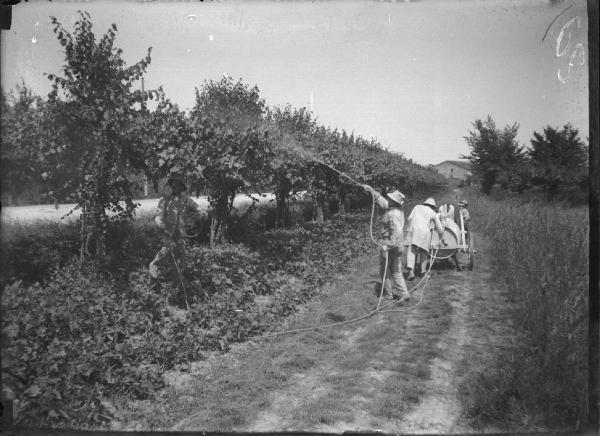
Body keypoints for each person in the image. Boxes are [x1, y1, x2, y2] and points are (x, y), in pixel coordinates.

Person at [362, 184, 411, 302]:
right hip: (398, 245)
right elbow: (383, 202)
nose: (388, 199)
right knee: (396, 270)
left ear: (393, 201)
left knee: (385, 271)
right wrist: (372, 190)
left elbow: (397, 231)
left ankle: (389, 295)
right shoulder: (396, 209)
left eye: (390, 198)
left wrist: (388, 246)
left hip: (390, 244)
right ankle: (404, 294)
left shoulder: (393, 214)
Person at [149, 175, 200, 279]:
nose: (175, 186)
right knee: (166, 250)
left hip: (181, 233)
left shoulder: (185, 200)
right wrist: (161, 223)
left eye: (178, 184)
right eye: (174, 184)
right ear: (171, 186)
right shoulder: (164, 201)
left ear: (181, 187)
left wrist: (202, 213)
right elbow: (158, 216)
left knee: (181, 255)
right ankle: (153, 267)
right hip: (168, 232)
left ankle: (176, 279)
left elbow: (197, 208)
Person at [405, 198, 446, 280]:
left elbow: (409, 218)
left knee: (412, 250)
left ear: (425, 204)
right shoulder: (433, 213)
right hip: (425, 232)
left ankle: (411, 272)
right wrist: (442, 236)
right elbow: (440, 229)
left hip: (414, 230)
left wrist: (409, 228)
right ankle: (423, 273)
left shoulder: (417, 207)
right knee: (423, 251)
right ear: (433, 206)